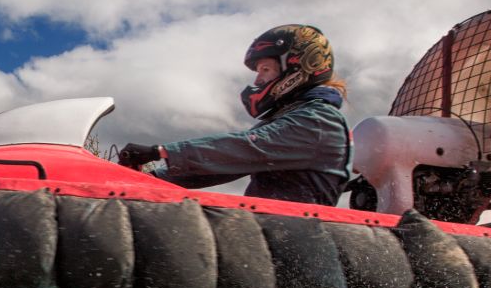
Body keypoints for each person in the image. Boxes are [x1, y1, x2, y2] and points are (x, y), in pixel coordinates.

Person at [118, 24, 350, 205]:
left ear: (297, 67)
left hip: (301, 243)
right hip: (276, 234)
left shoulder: (318, 121)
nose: (258, 80)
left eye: (265, 70)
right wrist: (149, 180)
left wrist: (160, 152)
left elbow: (244, 149)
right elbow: (216, 167)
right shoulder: (295, 117)